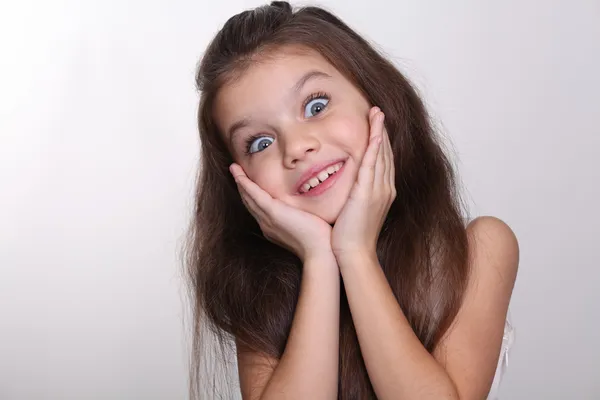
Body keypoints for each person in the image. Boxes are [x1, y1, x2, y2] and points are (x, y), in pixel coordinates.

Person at [184, 2, 519, 399]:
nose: (296, 148)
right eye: (260, 142)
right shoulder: (264, 288)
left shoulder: (479, 249)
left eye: (316, 106)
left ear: (376, 100)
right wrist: (319, 260)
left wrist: (355, 251)